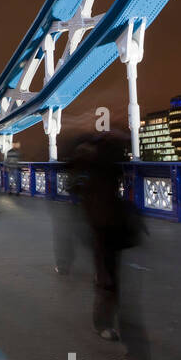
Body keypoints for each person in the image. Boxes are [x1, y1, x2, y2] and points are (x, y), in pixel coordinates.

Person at [67, 134, 144, 342]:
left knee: (110, 275)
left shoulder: (92, 158)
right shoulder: (97, 158)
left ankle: (105, 319)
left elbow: (72, 185)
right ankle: (103, 322)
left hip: (107, 223)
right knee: (109, 276)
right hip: (101, 224)